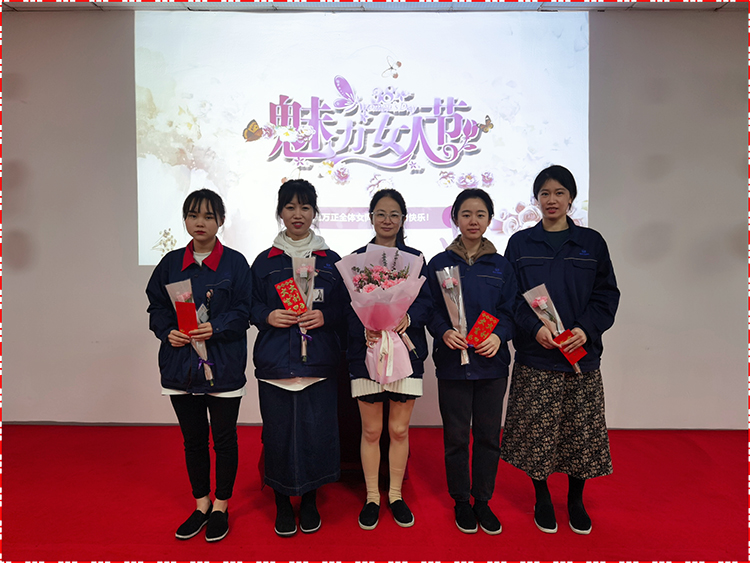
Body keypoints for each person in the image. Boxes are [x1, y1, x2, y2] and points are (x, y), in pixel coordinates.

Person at [500, 165, 620, 535]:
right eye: (544, 193)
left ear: (571, 198)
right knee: (536, 434)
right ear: (536, 199)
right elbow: (510, 298)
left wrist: (585, 330)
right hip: (537, 357)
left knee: (580, 434)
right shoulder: (520, 244)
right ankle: (541, 496)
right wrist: (534, 328)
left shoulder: (591, 242)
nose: (551, 200)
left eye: (559, 193)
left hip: (580, 358)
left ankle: (575, 499)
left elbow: (606, 294)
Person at [146, 189, 252, 543]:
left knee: (224, 439)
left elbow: (244, 310)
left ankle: (221, 505)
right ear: (185, 220)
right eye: (193, 215)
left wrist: (216, 327)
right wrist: (167, 331)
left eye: (208, 216)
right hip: (181, 366)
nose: (200, 222)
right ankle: (201, 503)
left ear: (220, 220)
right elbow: (157, 308)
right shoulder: (170, 263)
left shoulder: (235, 263)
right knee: (193, 441)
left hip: (223, 366)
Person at [250, 179, 344, 537]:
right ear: (280, 212)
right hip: (276, 363)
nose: (298, 214)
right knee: (277, 436)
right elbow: (249, 306)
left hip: (318, 364)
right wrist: (267, 316)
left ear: (314, 212)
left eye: (305, 207)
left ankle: (309, 501)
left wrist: (326, 316)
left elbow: (347, 309)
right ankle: (280, 501)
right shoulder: (265, 262)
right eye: (290, 207)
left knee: (316, 435)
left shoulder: (331, 261)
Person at [426, 188, 517, 535]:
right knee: (456, 438)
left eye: (480, 214)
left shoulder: (501, 265)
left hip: (491, 365)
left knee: (489, 436)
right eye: (466, 214)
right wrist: (443, 332)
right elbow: (430, 309)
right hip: (453, 364)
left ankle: (483, 500)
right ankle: (461, 501)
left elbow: (511, 310)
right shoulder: (439, 264)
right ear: (455, 218)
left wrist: (500, 335)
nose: (473, 220)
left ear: (490, 219)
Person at [346, 189, 431, 530]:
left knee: (398, 429)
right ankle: (372, 497)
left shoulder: (415, 259)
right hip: (365, 354)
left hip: (405, 353)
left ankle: (395, 495)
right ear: (371, 217)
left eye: (394, 214)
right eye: (380, 213)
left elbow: (428, 304)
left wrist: (408, 317)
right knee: (371, 430)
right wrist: (364, 328)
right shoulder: (355, 261)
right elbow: (346, 309)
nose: (387, 220)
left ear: (403, 219)